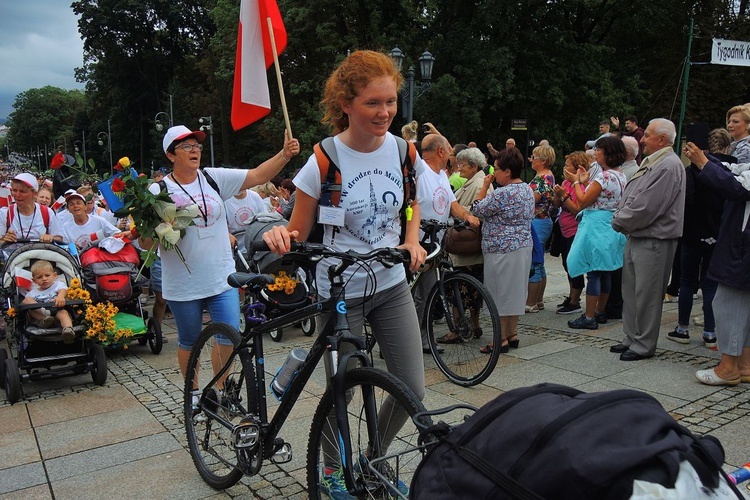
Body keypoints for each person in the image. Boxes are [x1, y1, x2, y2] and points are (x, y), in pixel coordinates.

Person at [261, 50, 427, 498]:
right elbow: (298, 228)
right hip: (339, 289)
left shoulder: (404, 151)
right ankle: (334, 469)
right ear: (347, 104)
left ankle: (371, 459)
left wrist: (411, 239)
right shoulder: (323, 160)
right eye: (373, 103)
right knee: (346, 388)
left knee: (412, 387)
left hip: (390, 283)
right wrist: (280, 234)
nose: (385, 112)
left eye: (391, 101)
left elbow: (414, 202)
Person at [137, 124, 299, 395]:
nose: (194, 151)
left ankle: (219, 392)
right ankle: (195, 394)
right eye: (186, 146)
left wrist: (284, 154)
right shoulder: (157, 191)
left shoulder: (212, 178)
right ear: (171, 155)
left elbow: (257, 175)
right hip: (183, 283)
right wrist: (164, 226)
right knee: (189, 341)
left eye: (197, 145)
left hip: (221, 276)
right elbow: (144, 243)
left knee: (229, 336)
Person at [610, 118, 685, 361]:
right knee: (631, 292)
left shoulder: (668, 165)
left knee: (647, 295)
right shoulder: (656, 162)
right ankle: (631, 337)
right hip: (639, 236)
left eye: (648, 135)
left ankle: (643, 344)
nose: (642, 139)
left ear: (662, 139)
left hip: (654, 239)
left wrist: (619, 220)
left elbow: (647, 207)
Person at [684, 142, 750, 385]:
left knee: (728, 305)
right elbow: (737, 168)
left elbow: (737, 187)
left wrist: (703, 163)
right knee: (743, 306)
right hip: (742, 247)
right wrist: (708, 159)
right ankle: (744, 365)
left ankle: (728, 368)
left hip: (742, 249)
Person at [667, 129, 732, 351]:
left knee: (687, 282)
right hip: (713, 231)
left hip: (692, 232)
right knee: (709, 284)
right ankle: (710, 332)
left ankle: (683, 328)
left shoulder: (688, 172)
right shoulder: (720, 170)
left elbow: (683, 202)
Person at [414, 135, 479, 351]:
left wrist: (468, 217)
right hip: (418, 243)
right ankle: (405, 342)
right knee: (416, 295)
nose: (452, 154)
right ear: (441, 151)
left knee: (427, 294)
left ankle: (422, 339)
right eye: (449, 149)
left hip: (436, 243)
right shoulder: (420, 172)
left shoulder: (441, 175)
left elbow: (453, 205)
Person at [472, 147, 534, 353]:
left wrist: (484, 186)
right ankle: (512, 334)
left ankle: (500, 340)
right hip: (522, 246)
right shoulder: (527, 189)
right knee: (515, 292)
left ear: (507, 171)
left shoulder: (502, 193)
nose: (494, 173)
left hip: (500, 249)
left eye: (496, 169)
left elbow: (477, 209)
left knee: (498, 294)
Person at [564, 136, 627, 329]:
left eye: (598, 150)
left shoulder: (604, 176)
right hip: (610, 225)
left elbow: (583, 201)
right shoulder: (620, 175)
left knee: (593, 272)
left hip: (596, 227)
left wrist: (576, 183)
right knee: (605, 271)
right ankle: (600, 311)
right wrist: (584, 181)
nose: (595, 153)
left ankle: (589, 316)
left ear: (607, 153)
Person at [551, 151, 589, 315]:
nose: (564, 168)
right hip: (563, 229)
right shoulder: (566, 182)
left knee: (574, 264)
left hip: (575, 230)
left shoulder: (580, 185)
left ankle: (575, 301)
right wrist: (556, 196)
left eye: (567, 165)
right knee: (566, 264)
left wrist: (564, 197)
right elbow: (556, 204)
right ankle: (572, 295)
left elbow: (577, 209)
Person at [526, 145, 556, 312]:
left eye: (534, 156)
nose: (531, 159)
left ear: (543, 160)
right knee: (539, 262)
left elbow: (532, 200)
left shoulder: (541, 178)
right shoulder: (548, 177)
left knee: (533, 262)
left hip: (538, 220)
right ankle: (539, 300)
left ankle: (531, 302)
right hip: (543, 221)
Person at [0, 172, 64, 245]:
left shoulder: (47, 213)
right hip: (13, 256)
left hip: (40, 256)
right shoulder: (5, 213)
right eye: (14, 190)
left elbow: (59, 238)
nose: (17, 195)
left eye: (22, 191)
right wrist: (5, 239)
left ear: (35, 194)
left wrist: (50, 238)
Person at [23, 259, 75, 343]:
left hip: (57, 309)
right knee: (27, 302)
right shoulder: (33, 293)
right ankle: (44, 320)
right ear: (34, 280)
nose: (44, 279)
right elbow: (25, 302)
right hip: (42, 315)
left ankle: (68, 330)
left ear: (54, 275)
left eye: (47, 275)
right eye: (39, 277)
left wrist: (60, 297)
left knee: (64, 314)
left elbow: (63, 290)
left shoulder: (57, 285)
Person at [61, 190, 127, 250]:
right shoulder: (65, 228)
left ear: (85, 206)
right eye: (71, 204)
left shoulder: (99, 220)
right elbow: (63, 247)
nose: (75, 206)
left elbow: (117, 233)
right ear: (68, 209)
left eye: (78, 203)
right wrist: (71, 247)